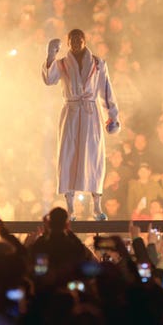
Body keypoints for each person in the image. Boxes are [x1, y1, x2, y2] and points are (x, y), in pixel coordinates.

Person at [42, 29, 121, 221]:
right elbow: (49, 79)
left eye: (79, 39)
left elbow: (105, 90)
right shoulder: (62, 64)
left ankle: (96, 206)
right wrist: (50, 56)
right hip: (71, 111)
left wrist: (112, 116)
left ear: (85, 41)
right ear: (68, 43)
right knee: (68, 156)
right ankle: (70, 208)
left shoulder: (98, 63)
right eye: (72, 40)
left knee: (94, 157)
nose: (76, 43)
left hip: (91, 113)